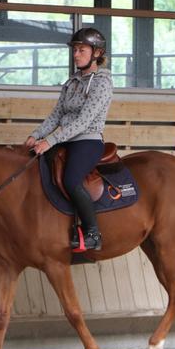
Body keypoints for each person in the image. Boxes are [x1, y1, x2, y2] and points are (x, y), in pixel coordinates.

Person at [25, 28, 113, 251]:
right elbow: (56, 115)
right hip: (63, 138)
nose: (76, 54)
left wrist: (50, 141)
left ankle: (93, 233)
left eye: (81, 50)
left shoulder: (102, 83)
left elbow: (83, 122)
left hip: (87, 140)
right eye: (75, 49)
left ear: (97, 53)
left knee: (72, 180)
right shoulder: (71, 82)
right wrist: (36, 135)